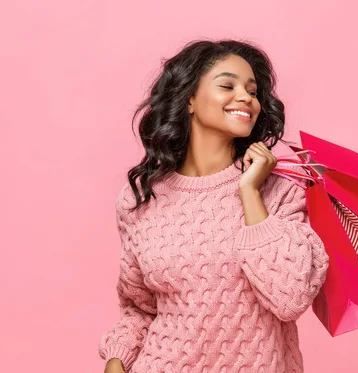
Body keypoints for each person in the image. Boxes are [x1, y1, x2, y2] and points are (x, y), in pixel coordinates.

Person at [99, 39, 329, 373]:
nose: (246, 98)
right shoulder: (140, 200)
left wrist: (250, 191)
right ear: (189, 99)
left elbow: (289, 297)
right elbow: (140, 309)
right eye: (227, 85)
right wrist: (116, 361)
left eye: (252, 91)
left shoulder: (279, 192)